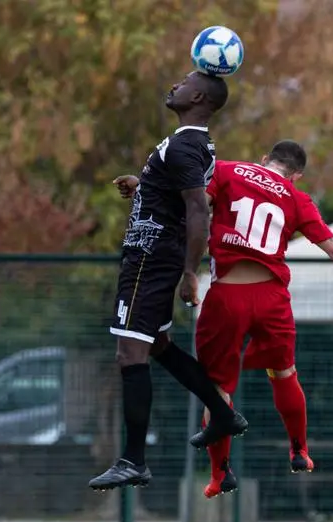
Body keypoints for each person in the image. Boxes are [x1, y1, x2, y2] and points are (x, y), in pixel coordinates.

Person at [187, 140, 333, 498]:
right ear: (296, 175)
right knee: (283, 372)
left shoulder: (226, 170)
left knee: (217, 389)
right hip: (271, 299)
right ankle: (299, 450)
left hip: (226, 296)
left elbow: (193, 205)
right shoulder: (297, 199)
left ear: (264, 159)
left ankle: (221, 474)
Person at [88, 71, 248, 492]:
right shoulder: (192, 144)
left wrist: (190, 272)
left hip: (150, 259)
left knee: (129, 354)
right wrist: (143, 187)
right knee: (157, 346)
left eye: (183, 81)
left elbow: (198, 209)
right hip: (155, 255)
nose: (174, 84)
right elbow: (179, 197)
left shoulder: (184, 144)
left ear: (196, 96)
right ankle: (223, 413)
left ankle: (133, 460)